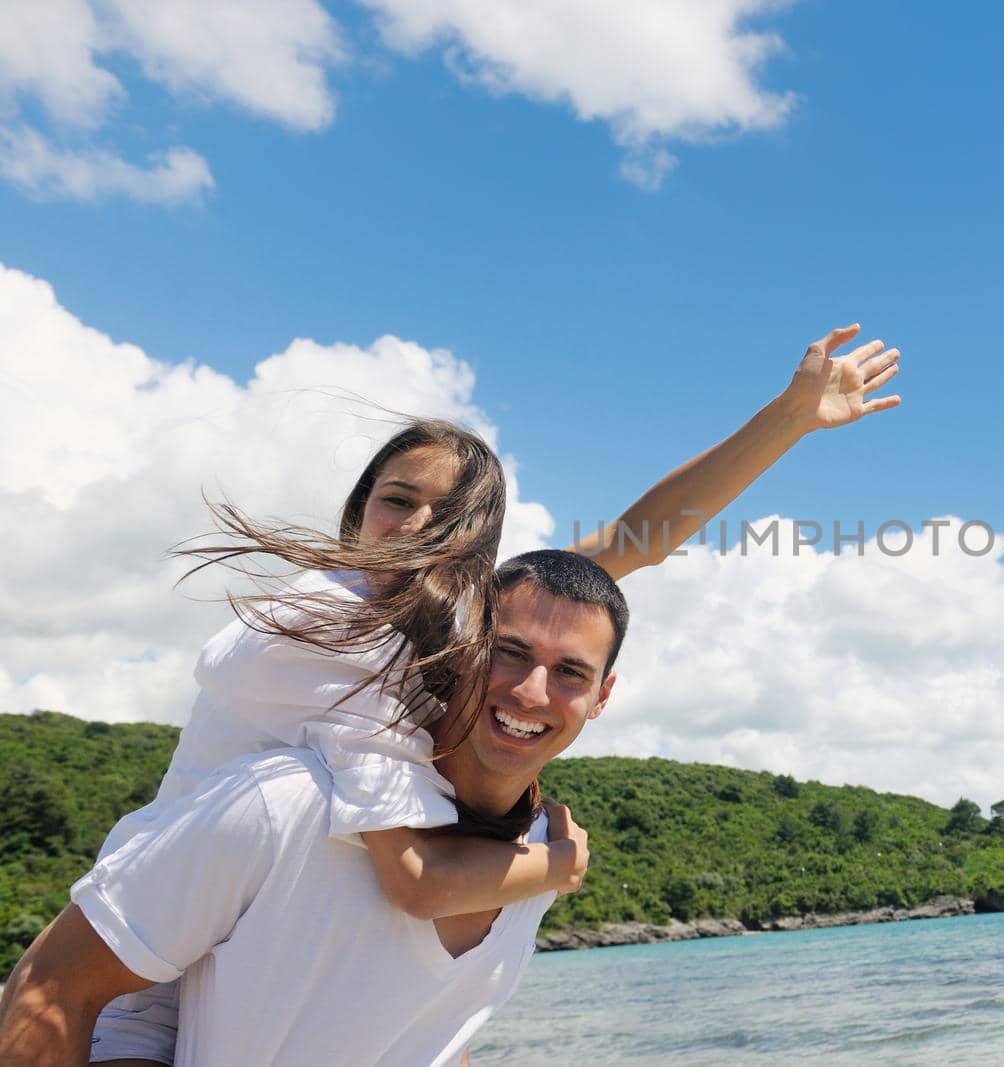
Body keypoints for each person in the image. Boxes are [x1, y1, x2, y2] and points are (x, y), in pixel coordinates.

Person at [78, 325, 904, 1064]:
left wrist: (788, 420)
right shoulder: (326, 627)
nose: (420, 525)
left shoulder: (450, 622)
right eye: (397, 500)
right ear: (356, 514)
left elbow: (631, 542)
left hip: (257, 947)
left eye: (455, 517)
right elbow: (417, 881)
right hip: (144, 973)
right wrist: (560, 863)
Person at [0, 551, 629, 1066]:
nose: (530, 690)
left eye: (571, 672)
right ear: (464, 648)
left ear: (602, 697)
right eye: (510, 651)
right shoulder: (286, 802)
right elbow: (51, 989)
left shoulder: (542, 856)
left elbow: (433, 1028)